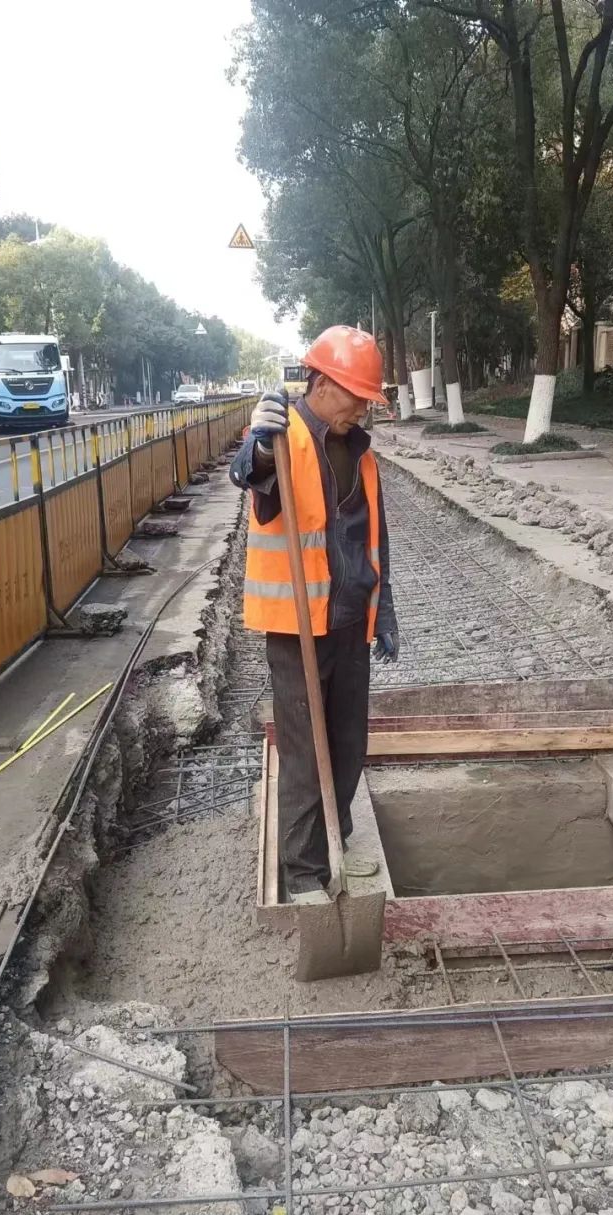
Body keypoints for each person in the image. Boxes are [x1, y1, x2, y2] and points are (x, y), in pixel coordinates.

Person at [229, 325, 399, 905]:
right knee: (305, 750)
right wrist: (257, 445)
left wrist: (384, 612)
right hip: (296, 625)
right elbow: (251, 476)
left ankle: (336, 836)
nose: (362, 409)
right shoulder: (284, 436)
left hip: (349, 621)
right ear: (323, 384)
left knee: (348, 742)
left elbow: (373, 539)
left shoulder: (360, 452)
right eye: (357, 396)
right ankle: (302, 872)